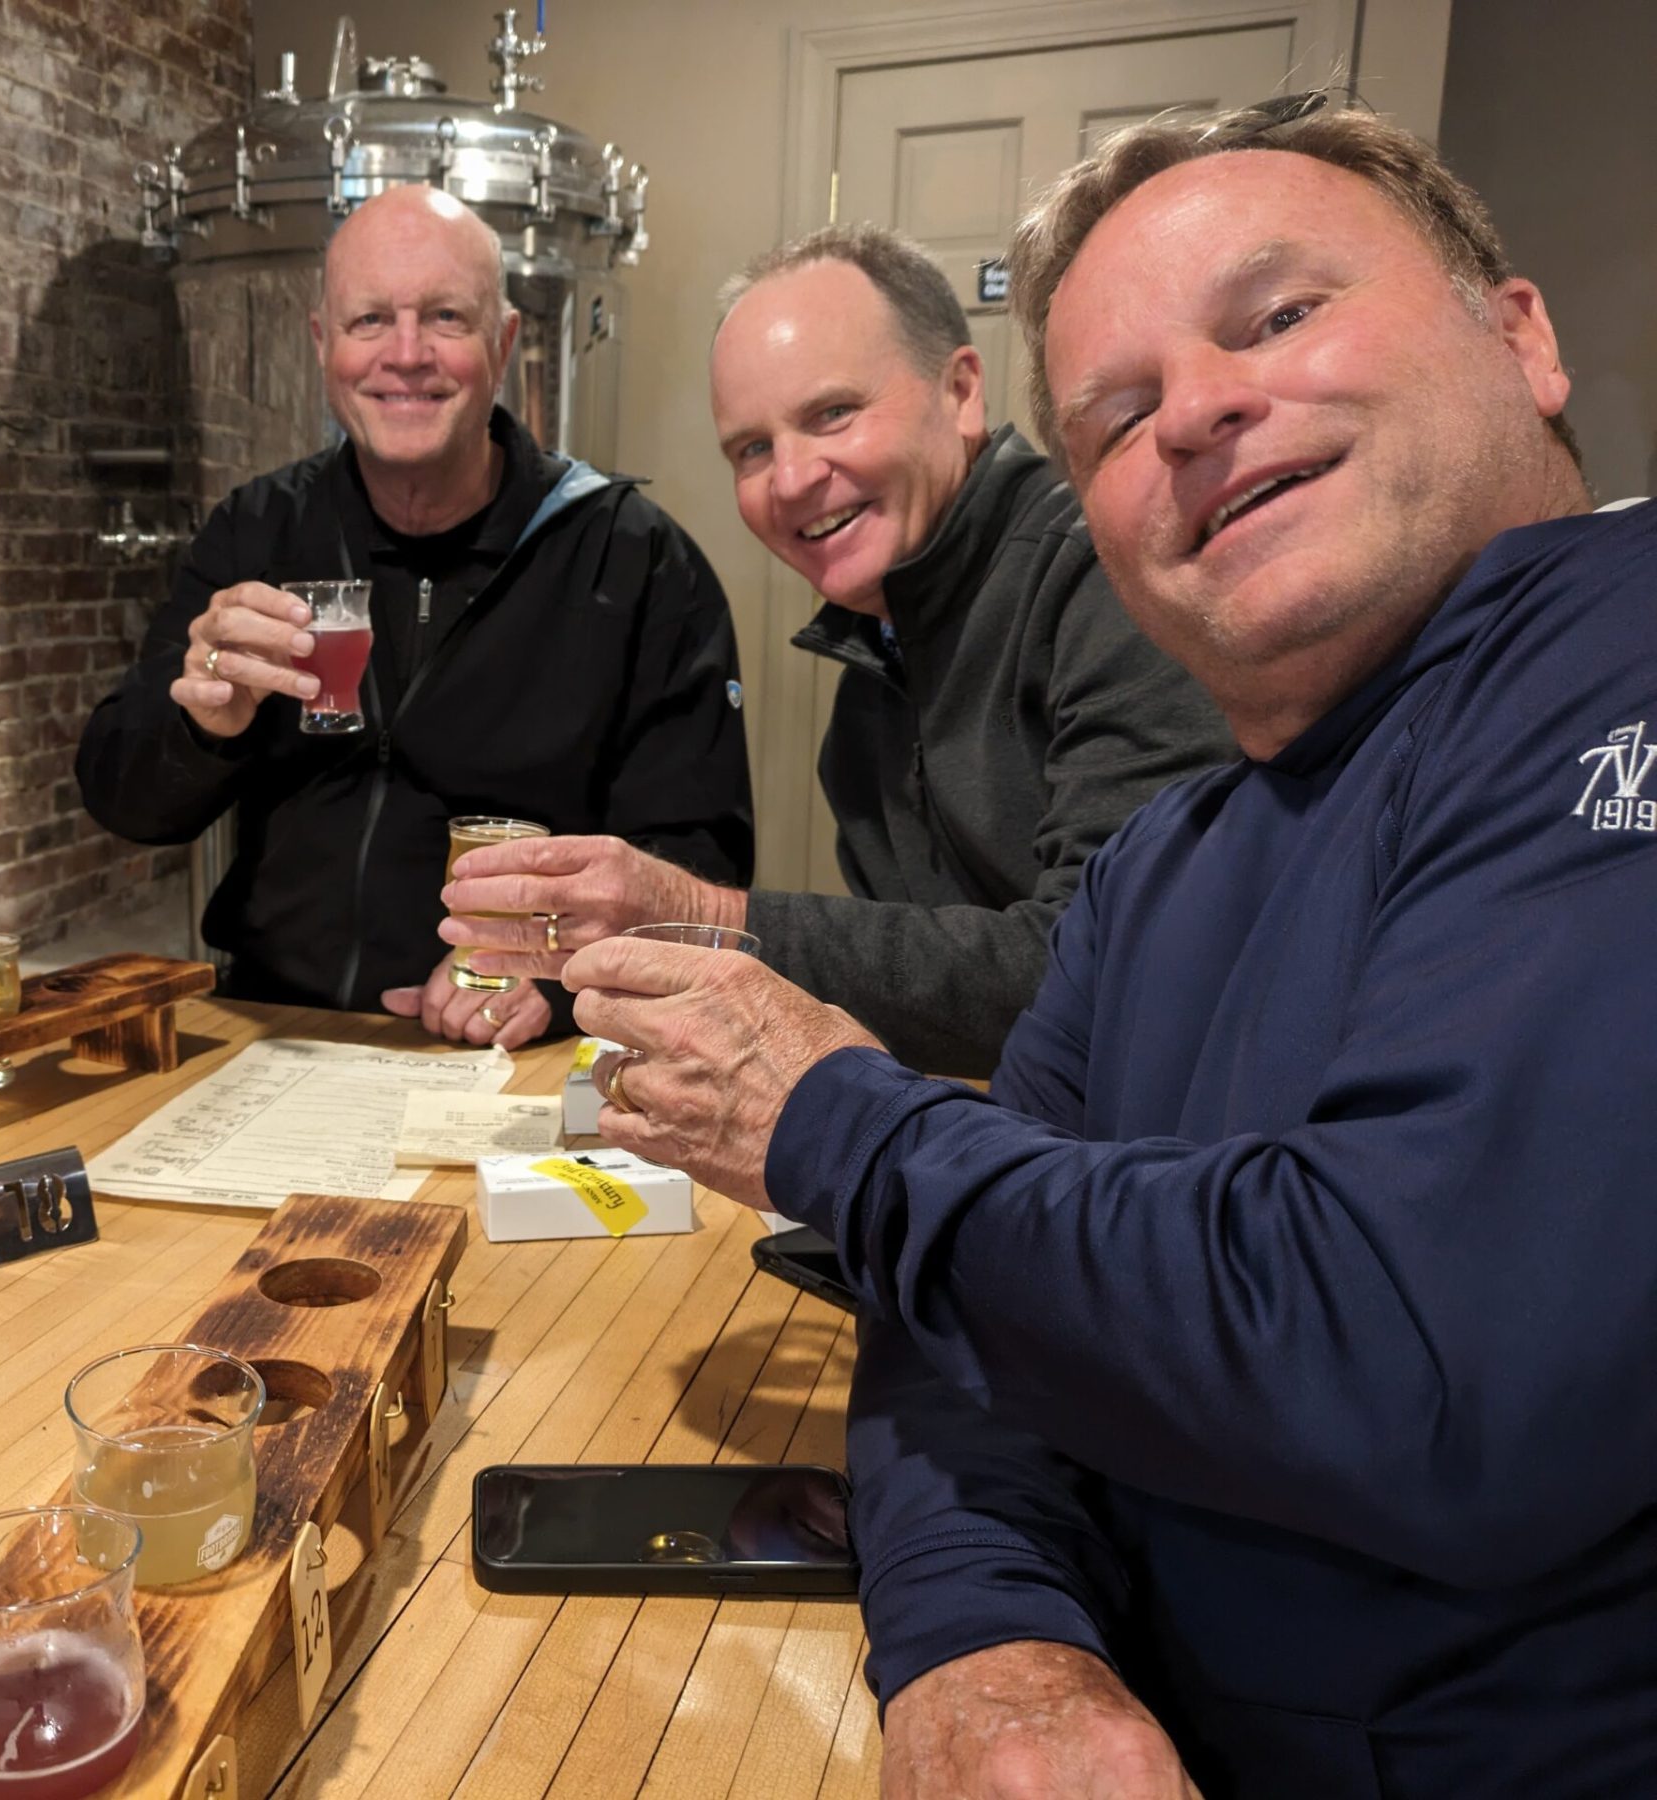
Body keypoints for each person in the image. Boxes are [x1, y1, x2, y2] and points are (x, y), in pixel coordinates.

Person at [564, 100, 1657, 1797]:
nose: (1205, 414)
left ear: (1522, 336)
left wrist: (828, 1116)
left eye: (1278, 318)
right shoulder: (1167, 862)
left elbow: (1419, 1363)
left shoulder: (1618, 655)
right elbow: (956, 1324)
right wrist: (993, 1638)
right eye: (1122, 417)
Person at [439, 224, 1230, 1076]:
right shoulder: (864, 704)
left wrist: (699, 916)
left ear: (962, 391)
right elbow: (946, 1020)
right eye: (752, 448)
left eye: (833, 414)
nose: (790, 479)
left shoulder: (1106, 577)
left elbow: (1103, 978)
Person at [74, 186, 753, 1050]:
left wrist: (551, 968)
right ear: (323, 343)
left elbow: (701, 862)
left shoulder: (632, 559)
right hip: (273, 1028)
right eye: (369, 322)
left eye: (445, 317)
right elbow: (124, 799)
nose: (405, 355)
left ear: (503, 343)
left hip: (521, 1050)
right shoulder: (260, 530)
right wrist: (199, 726)